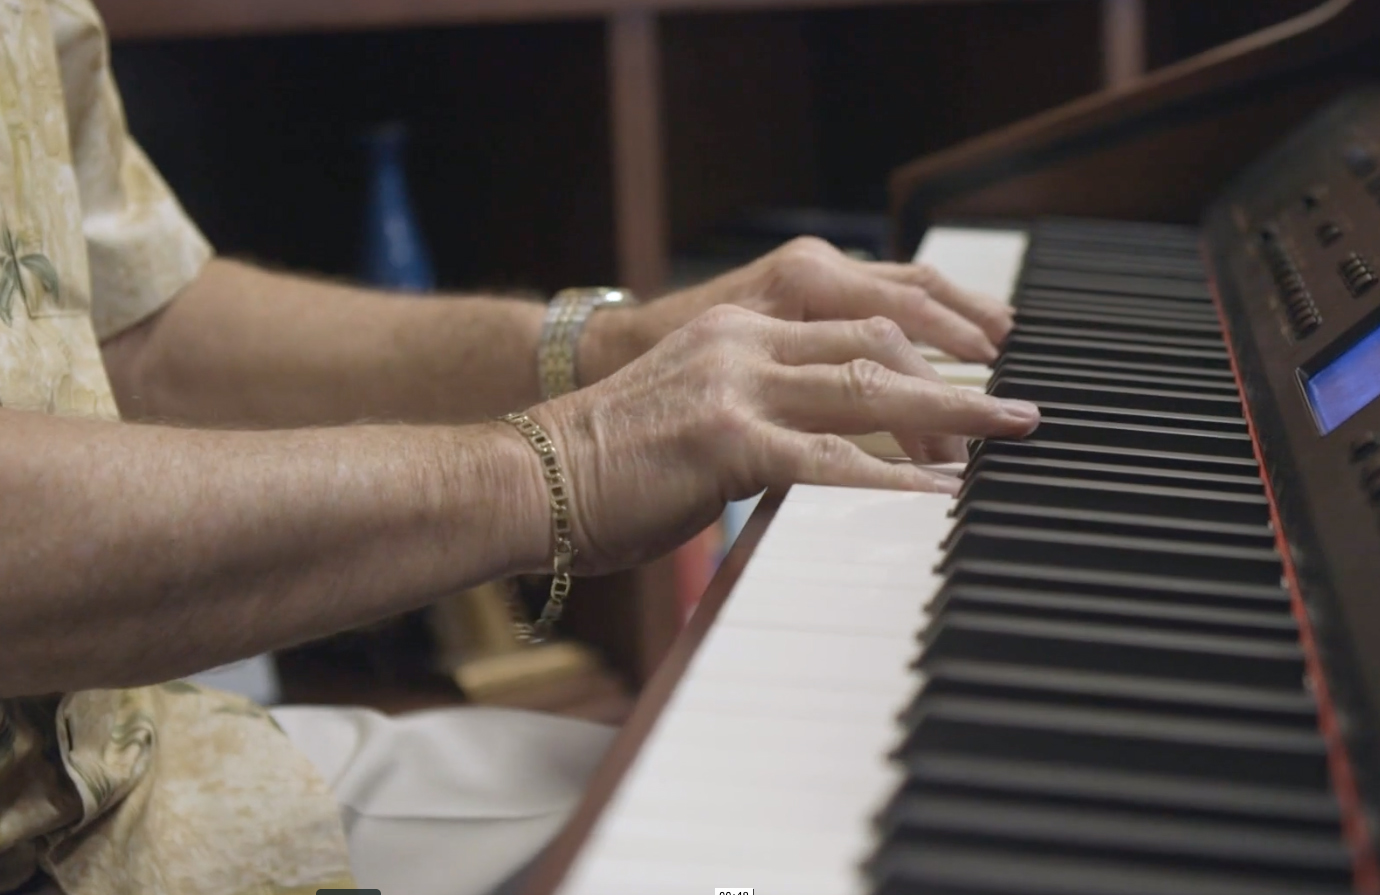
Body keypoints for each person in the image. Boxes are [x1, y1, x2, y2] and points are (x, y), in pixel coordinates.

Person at [0, 2, 1040, 894]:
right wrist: (555, 468)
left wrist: (613, 348)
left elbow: (130, 323)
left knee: (802, 810)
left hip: (127, 779)